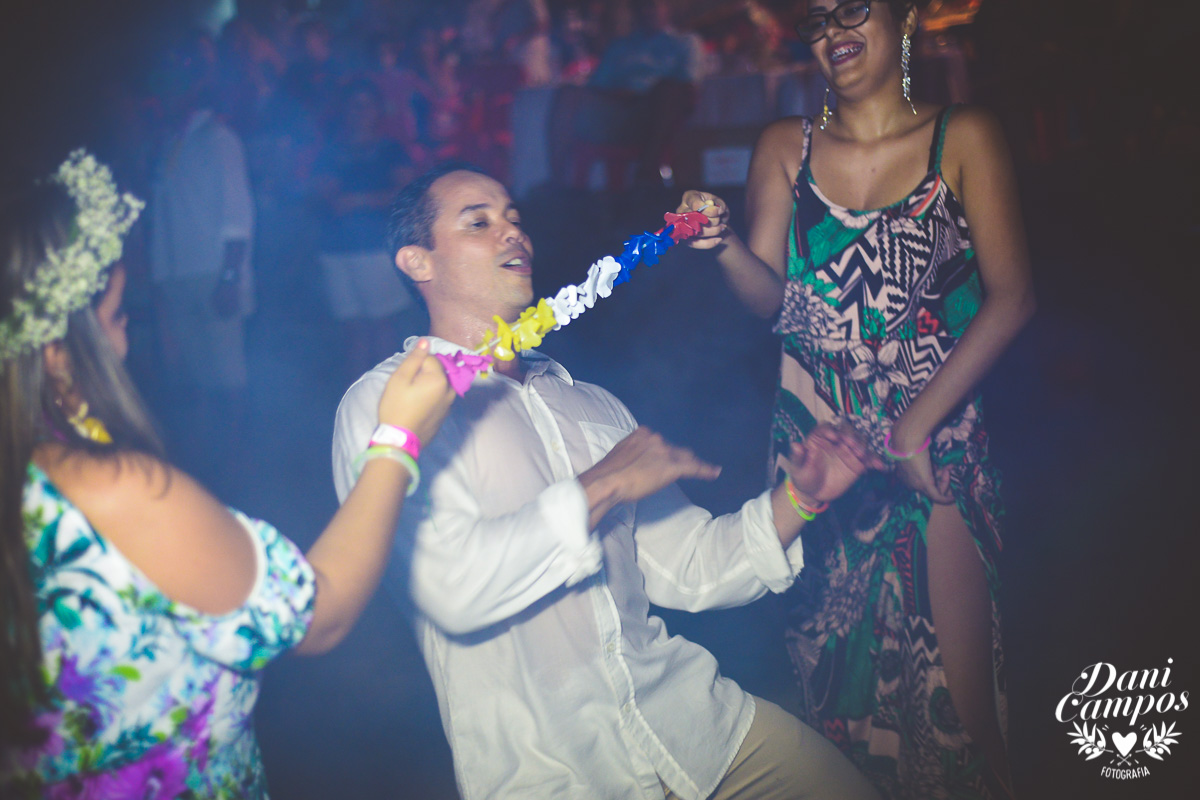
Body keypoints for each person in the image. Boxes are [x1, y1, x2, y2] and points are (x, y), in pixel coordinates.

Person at [332, 162, 883, 800]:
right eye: (478, 223)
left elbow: (694, 567)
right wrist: (602, 486)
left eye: (514, 217)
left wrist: (801, 497)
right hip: (559, 773)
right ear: (417, 262)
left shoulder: (589, 405)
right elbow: (450, 588)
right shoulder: (388, 406)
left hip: (700, 728)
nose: (512, 233)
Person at [0, 152, 456, 797]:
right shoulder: (112, 488)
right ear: (56, 352)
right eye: (117, 313)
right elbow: (316, 614)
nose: (129, 330)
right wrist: (397, 439)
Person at [678, 2, 1035, 797]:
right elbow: (768, 300)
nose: (832, 28)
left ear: (904, 17)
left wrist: (911, 431)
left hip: (934, 441)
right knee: (834, 708)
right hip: (814, 454)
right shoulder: (784, 145)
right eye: (815, 17)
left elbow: (1013, 298)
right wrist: (724, 244)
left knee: (961, 709)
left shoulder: (964, 135)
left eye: (853, 9)